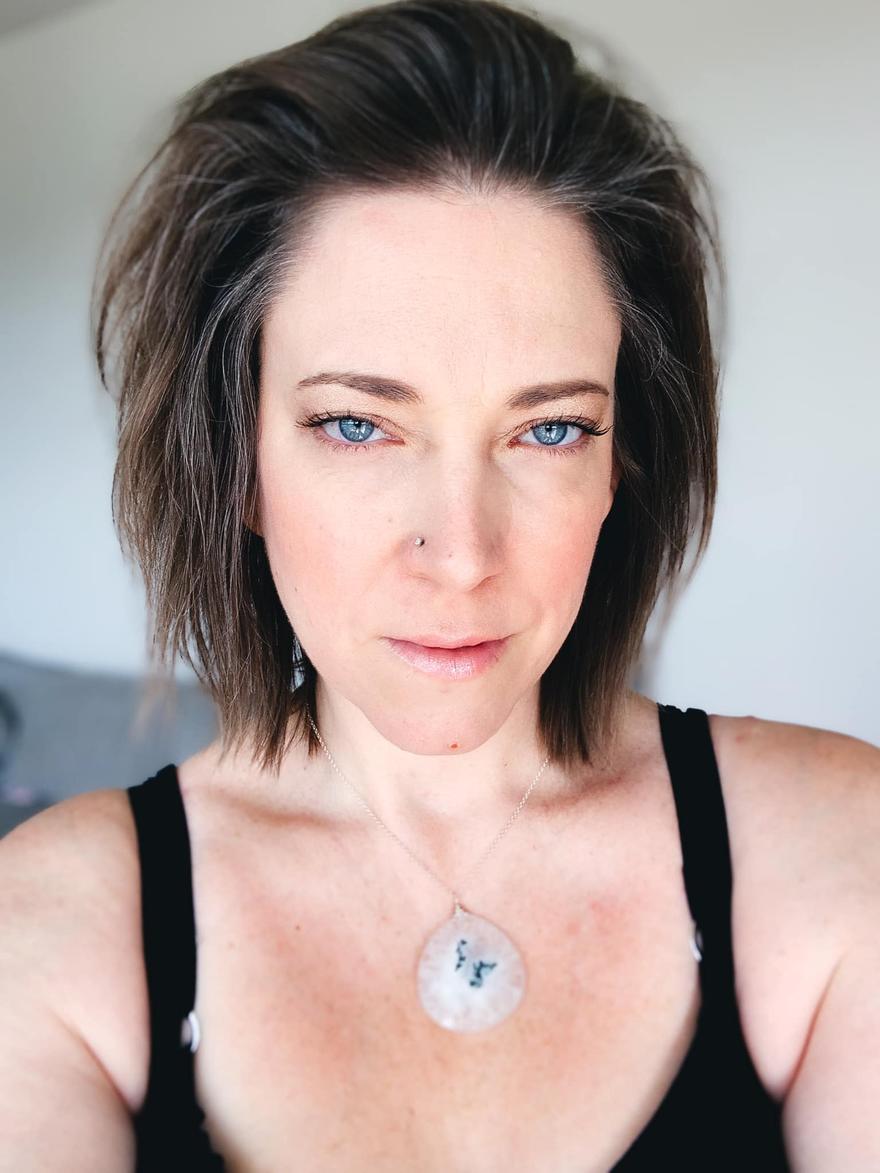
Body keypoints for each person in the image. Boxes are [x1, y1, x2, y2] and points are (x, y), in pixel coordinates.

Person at [1, 0, 877, 1168]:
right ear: (238, 462)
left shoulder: (832, 846)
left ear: (621, 464)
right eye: (357, 425)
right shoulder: (48, 935)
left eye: (550, 430)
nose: (461, 555)